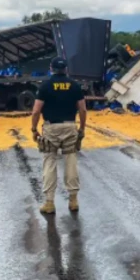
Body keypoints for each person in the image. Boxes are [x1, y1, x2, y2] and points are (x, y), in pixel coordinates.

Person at [31, 57, 87, 214]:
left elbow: (36, 111)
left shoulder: (45, 86)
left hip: (51, 128)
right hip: (70, 127)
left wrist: (34, 129)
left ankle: (49, 203)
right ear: (66, 70)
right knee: (71, 161)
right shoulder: (75, 86)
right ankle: (73, 200)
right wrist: (81, 129)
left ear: (51, 68)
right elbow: (82, 110)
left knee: (49, 162)